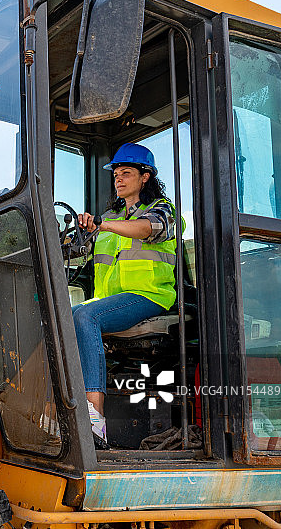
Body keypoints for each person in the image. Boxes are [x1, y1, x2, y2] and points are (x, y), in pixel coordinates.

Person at [72, 142, 177, 446]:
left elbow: (146, 229)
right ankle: (56, 408)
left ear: (145, 176)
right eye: (116, 174)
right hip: (112, 301)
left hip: (149, 296)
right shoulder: (111, 217)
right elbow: (80, 251)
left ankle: (94, 418)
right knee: (59, 317)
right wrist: (79, 232)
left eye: (126, 173)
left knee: (86, 316)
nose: (118, 178)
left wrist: (103, 224)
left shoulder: (162, 210)